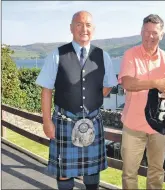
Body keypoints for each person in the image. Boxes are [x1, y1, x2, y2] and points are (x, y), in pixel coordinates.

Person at [35, 11, 117, 190]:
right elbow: (46, 90)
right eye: (79, 24)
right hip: (65, 122)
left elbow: (108, 85)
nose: (84, 29)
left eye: (88, 25)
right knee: (64, 173)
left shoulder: (103, 56)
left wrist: (92, 100)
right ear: (71, 28)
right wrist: (47, 121)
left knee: (92, 172)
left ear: (93, 29)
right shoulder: (57, 55)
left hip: (93, 121)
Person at [118, 14, 165, 189]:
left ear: (162, 35)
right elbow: (127, 83)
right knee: (129, 173)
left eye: (154, 32)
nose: (149, 36)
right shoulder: (130, 55)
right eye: (146, 31)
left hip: (159, 126)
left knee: (157, 172)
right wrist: (156, 83)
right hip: (133, 125)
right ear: (141, 32)